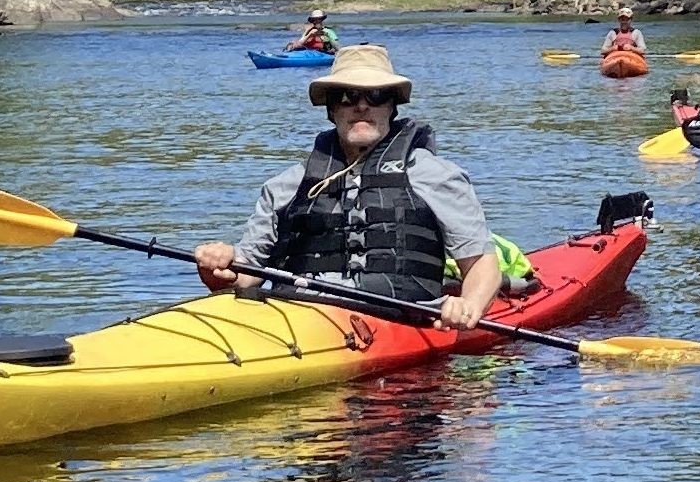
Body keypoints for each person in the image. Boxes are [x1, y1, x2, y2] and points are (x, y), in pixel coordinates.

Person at [192, 44, 513, 331]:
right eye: (347, 97)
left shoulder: (437, 176)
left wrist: (468, 306)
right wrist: (219, 268)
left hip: (402, 320)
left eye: (376, 96)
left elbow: (482, 265)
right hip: (297, 319)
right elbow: (245, 276)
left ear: (392, 107)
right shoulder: (284, 186)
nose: (361, 106)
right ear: (332, 109)